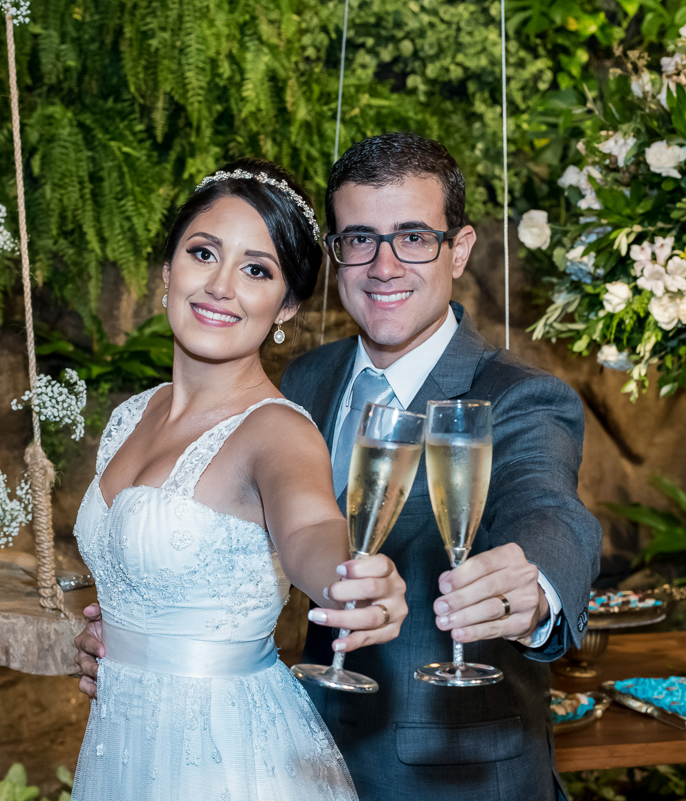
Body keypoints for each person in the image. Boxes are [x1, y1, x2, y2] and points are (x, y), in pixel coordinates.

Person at [75, 134, 602, 801]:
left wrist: (537, 591)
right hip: (283, 750)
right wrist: (134, 642)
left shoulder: (518, 396)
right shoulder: (306, 379)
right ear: (335, 253)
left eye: (413, 237)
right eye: (360, 239)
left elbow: (549, 510)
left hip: (450, 779)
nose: (384, 265)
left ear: (459, 248)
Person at [68, 157, 410, 801]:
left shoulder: (277, 430)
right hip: (122, 750)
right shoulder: (130, 416)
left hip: (226, 760)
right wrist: (111, 643)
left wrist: (352, 579)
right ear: (167, 271)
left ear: (287, 305)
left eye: (257, 270)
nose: (221, 286)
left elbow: (311, 528)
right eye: (203, 253)